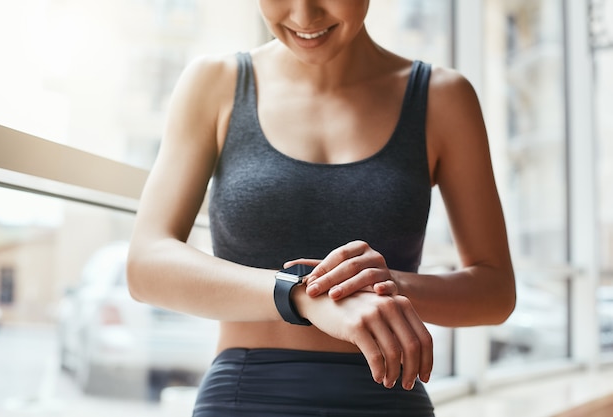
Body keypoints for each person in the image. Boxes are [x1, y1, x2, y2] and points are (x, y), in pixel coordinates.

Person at [127, 1, 516, 416]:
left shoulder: (443, 97)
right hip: (244, 397)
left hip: (385, 401)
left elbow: (495, 292)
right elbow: (146, 264)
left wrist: (381, 285)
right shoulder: (216, 83)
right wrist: (300, 295)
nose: (304, 16)